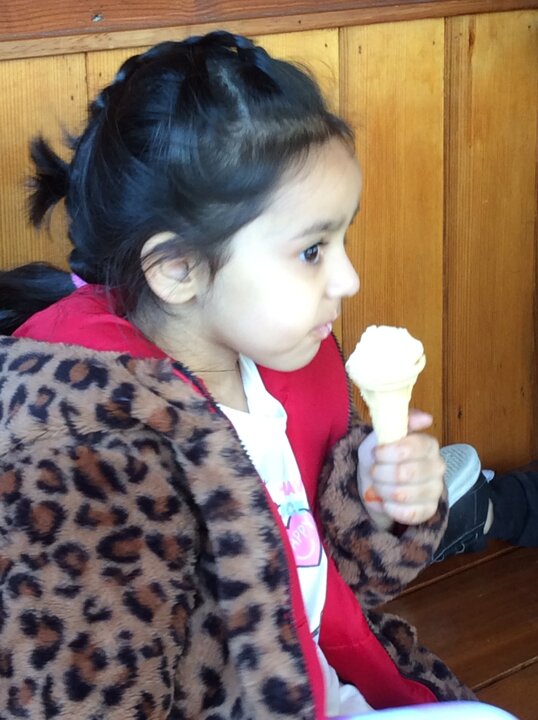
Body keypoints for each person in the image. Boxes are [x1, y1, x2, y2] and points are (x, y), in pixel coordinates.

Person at [0, 30, 493, 719]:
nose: (348, 279)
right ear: (178, 269)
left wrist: (378, 500)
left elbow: (345, 585)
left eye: (342, 239)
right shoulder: (86, 452)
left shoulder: (282, 368)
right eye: (313, 250)